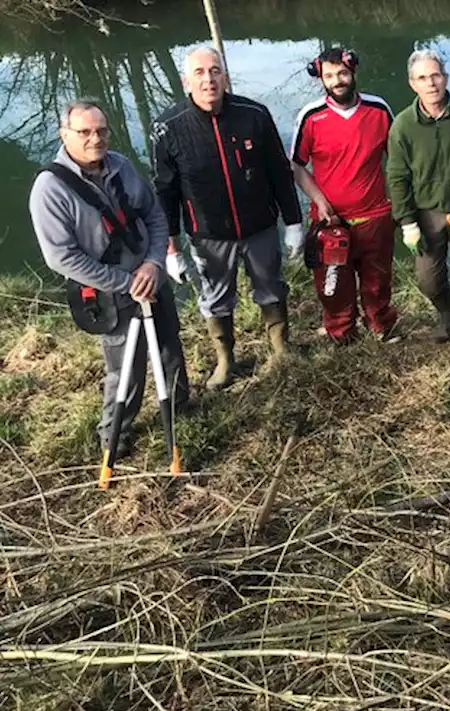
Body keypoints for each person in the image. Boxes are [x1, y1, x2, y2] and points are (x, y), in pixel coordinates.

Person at [30, 98, 190, 457]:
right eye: (84, 132)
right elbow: (61, 257)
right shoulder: (49, 188)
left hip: (152, 278)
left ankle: (180, 409)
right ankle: (113, 435)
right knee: (124, 369)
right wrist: (125, 283)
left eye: (101, 130)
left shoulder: (121, 165)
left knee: (170, 346)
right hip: (109, 291)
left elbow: (154, 215)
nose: (94, 139)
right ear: (64, 134)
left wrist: (154, 263)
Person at [152, 46, 303, 391]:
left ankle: (280, 347)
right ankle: (225, 359)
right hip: (208, 234)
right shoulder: (167, 127)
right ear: (185, 81)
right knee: (216, 297)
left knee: (272, 286)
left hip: (260, 225)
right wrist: (170, 249)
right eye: (200, 73)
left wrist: (293, 223)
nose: (209, 80)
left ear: (225, 75)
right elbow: (164, 192)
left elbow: (280, 172)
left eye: (215, 71)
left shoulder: (255, 114)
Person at [290, 47, 400, 344]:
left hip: (375, 214)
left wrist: (398, 201)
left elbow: (398, 160)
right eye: (329, 75)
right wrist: (320, 201)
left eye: (342, 73)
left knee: (378, 280)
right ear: (321, 79)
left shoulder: (378, 110)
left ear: (353, 72)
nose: (337, 80)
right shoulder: (311, 116)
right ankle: (342, 333)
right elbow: (297, 166)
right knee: (333, 284)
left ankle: (381, 325)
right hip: (331, 221)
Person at [387, 49, 450, 345]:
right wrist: (406, 221)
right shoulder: (403, 125)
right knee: (428, 280)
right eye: (422, 78)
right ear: (412, 84)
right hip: (426, 213)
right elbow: (396, 176)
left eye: (435, 75)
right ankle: (447, 317)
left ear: (445, 78)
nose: (431, 83)